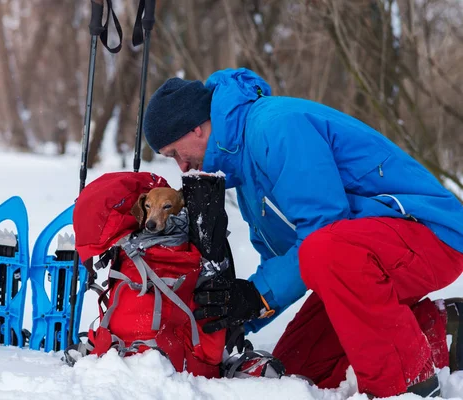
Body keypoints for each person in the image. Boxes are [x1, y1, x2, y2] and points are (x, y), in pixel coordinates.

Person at [142, 67, 463, 398]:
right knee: (298, 367)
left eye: (174, 153)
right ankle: (443, 330)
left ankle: (405, 385)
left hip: (428, 234)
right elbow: (283, 259)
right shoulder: (245, 172)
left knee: (324, 250)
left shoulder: (275, 127)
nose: (181, 166)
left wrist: (257, 296)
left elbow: (324, 228)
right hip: (364, 255)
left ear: (195, 128)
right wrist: (242, 314)